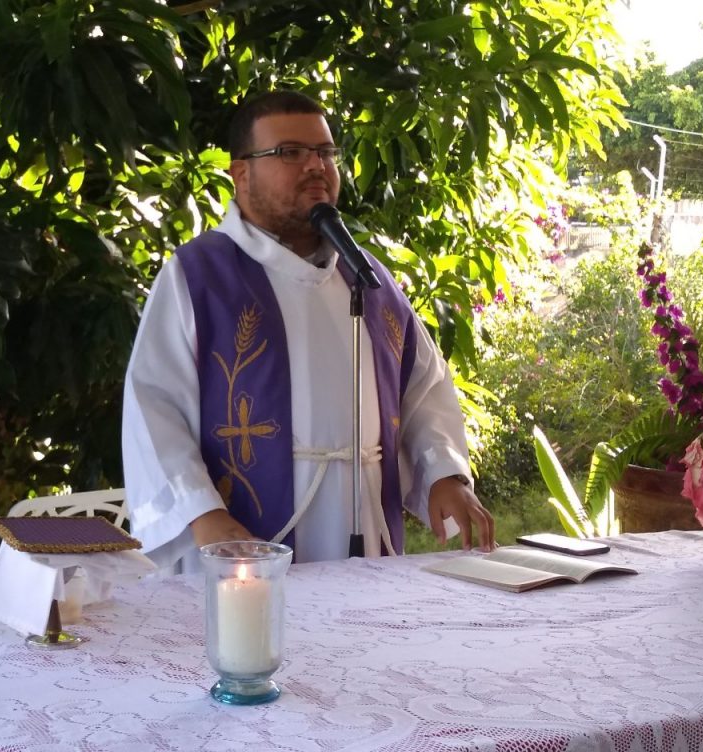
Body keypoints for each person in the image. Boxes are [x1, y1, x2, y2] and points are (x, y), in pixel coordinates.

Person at [122, 90, 494, 571]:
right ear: (241, 174)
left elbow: (423, 391)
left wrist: (445, 474)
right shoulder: (197, 277)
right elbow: (154, 407)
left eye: (325, 152)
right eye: (290, 153)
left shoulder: (368, 280)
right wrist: (203, 511)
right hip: (242, 558)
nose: (316, 166)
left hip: (367, 550)